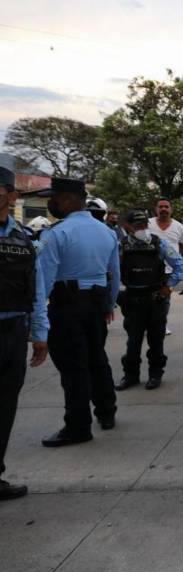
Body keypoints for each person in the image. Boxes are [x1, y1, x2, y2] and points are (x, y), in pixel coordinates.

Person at [34, 177, 121, 446]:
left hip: (67, 307)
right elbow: (114, 275)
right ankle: (107, 412)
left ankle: (78, 427)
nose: (52, 203)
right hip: (96, 305)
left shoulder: (57, 233)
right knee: (97, 359)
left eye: (55, 198)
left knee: (74, 368)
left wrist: (38, 324)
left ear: (70, 199)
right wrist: (108, 305)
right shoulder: (106, 232)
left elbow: (42, 283)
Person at [0, 167, 49, 500]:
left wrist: (39, 332)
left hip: (14, 331)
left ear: (12, 196)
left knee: (5, 406)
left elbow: (37, 288)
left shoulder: (24, 238)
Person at [115, 209, 183, 391]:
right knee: (133, 342)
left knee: (156, 341)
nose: (142, 228)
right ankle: (131, 375)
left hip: (155, 299)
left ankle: (155, 374)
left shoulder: (158, 243)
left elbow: (179, 265)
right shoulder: (121, 246)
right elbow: (112, 272)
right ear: (128, 227)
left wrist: (168, 286)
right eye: (138, 226)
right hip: (133, 299)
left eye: (144, 225)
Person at [148, 198, 183, 334]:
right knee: (148, 298)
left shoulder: (179, 226)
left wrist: (173, 259)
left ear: (171, 209)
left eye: (166, 207)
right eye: (161, 207)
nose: (163, 209)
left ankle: (161, 324)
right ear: (156, 209)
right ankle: (148, 323)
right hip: (149, 270)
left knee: (165, 299)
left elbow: (182, 245)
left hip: (169, 271)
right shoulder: (148, 223)